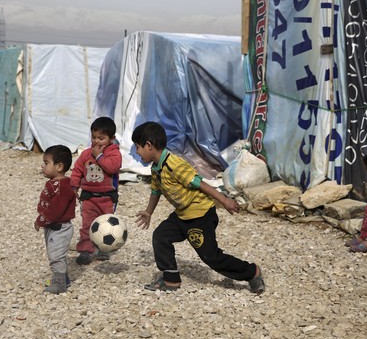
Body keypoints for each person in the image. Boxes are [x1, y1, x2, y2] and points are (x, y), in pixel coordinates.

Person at [132, 122, 265, 294]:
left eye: (137, 147)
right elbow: (156, 190)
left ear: (148, 145)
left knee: (211, 257)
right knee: (161, 236)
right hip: (182, 215)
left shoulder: (174, 165)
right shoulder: (156, 167)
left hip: (200, 216)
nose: (136, 151)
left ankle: (252, 272)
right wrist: (148, 212)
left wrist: (224, 200)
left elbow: (200, 183)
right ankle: (171, 279)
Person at [70, 117, 122, 265]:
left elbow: (112, 167)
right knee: (87, 223)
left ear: (112, 138)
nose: (97, 141)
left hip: (107, 197)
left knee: (106, 224)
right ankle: (85, 250)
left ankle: (104, 249)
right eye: (94, 137)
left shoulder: (114, 154)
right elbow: (77, 171)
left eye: (101, 138)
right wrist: (74, 187)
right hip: (89, 196)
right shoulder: (86, 154)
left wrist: (98, 156)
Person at [35, 145, 77, 294]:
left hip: (60, 227)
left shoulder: (63, 187)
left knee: (56, 255)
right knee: (56, 253)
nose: (43, 166)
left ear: (59, 166)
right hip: (52, 226)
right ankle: (63, 278)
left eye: (46, 163)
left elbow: (55, 210)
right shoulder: (54, 184)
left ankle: (60, 283)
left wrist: (41, 219)